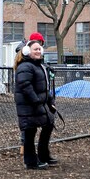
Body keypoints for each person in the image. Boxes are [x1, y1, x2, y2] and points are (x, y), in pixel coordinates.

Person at [14, 39, 57, 170]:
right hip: (29, 107)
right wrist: (36, 100)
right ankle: (31, 161)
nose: (38, 51)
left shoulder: (39, 66)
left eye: (39, 49)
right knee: (29, 133)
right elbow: (25, 86)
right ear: (28, 51)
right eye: (35, 49)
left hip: (40, 105)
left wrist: (50, 101)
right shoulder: (25, 67)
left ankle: (44, 156)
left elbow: (43, 87)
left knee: (49, 124)